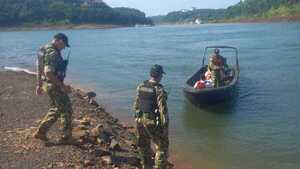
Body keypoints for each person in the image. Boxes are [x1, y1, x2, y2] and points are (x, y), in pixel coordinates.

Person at [33, 33, 73, 143]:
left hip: (48, 84)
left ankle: (46, 133)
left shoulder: (43, 49)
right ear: (59, 41)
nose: (64, 48)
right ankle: (64, 136)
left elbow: (39, 68)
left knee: (60, 108)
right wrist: (63, 86)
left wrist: (39, 84)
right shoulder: (53, 53)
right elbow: (48, 72)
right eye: (64, 45)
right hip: (54, 85)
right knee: (64, 108)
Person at [133, 64, 169, 169]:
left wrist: (136, 118)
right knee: (162, 147)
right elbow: (163, 110)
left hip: (140, 120)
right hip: (152, 122)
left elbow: (136, 104)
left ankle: (146, 166)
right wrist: (165, 127)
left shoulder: (141, 86)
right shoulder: (159, 89)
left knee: (143, 145)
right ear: (159, 76)